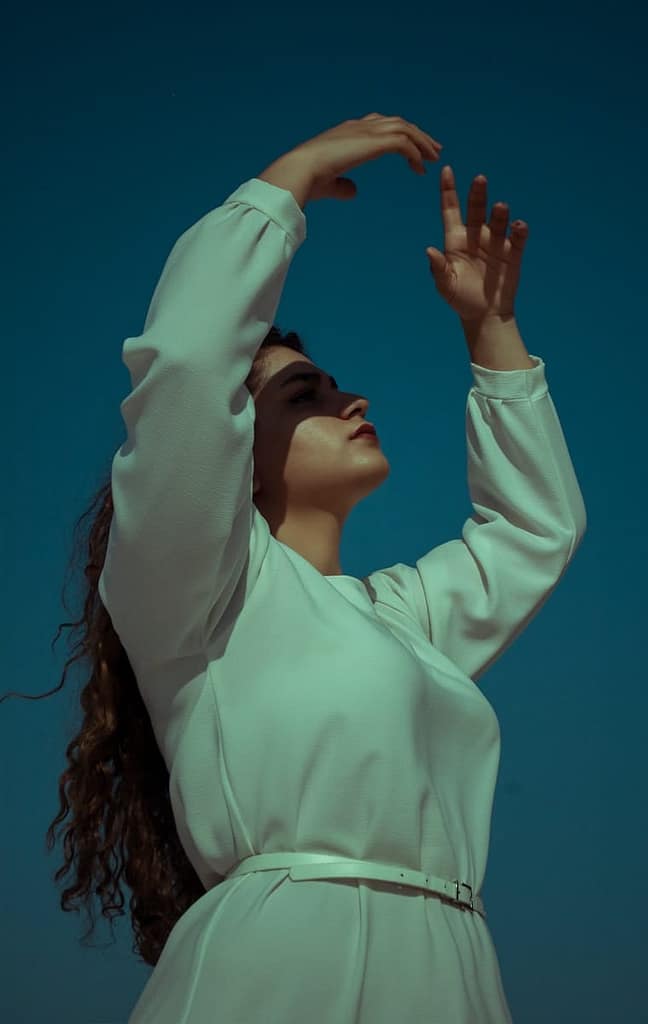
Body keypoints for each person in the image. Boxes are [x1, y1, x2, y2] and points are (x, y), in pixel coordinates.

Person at [4, 113, 586, 1022]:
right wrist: (287, 181)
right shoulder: (194, 587)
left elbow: (535, 529)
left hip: (451, 972)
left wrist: (492, 331)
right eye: (302, 392)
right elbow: (192, 364)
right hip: (284, 966)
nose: (349, 397)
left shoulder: (399, 618)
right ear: (231, 446)